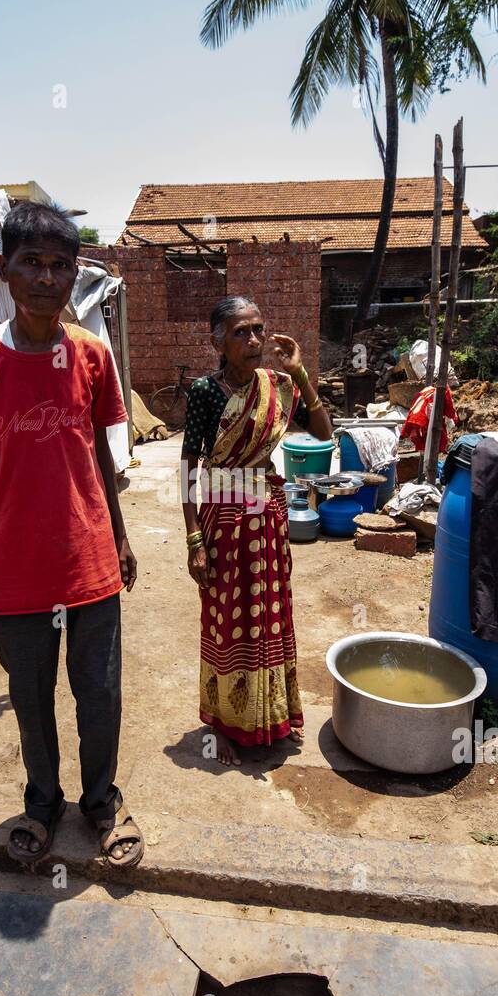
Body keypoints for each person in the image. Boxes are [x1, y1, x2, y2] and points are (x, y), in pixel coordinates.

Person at [0, 201, 144, 868]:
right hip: (13, 567)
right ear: (4, 269)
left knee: (101, 692)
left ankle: (102, 802)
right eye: (32, 262)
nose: (46, 278)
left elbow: (100, 456)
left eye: (61, 265)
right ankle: (42, 802)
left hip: (88, 561)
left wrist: (119, 537)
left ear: (75, 274)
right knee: (30, 695)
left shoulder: (90, 355)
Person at [181, 296, 333, 766]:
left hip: (267, 520)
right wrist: (193, 541)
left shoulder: (279, 385)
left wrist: (303, 374)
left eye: (257, 330)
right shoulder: (207, 392)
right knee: (228, 622)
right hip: (224, 522)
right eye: (240, 333)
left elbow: (326, 434)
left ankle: (270, 716)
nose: (253, 341)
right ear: (218, 341)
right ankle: (224, 725)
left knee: (268, 616)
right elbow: (190, 466)